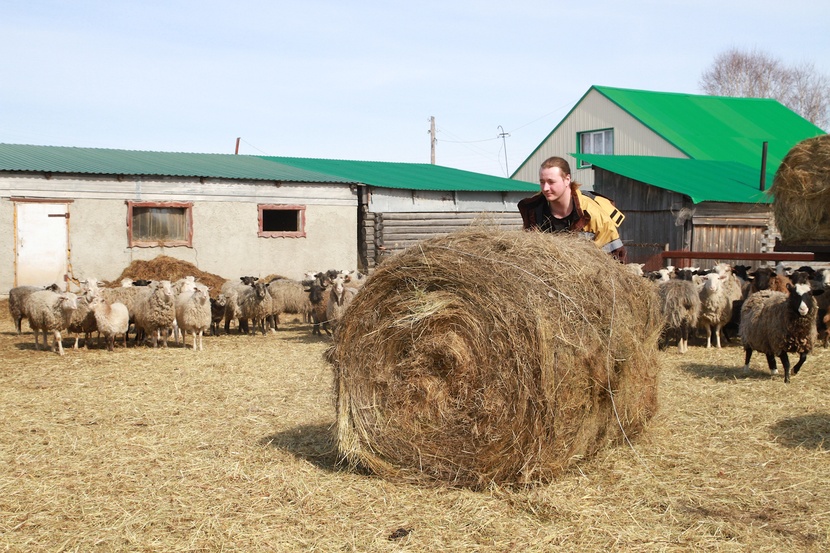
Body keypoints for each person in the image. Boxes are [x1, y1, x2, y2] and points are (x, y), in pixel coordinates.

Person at [517, 156, 627, 262]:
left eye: (551, 182)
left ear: (567, 179)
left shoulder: (594, 215)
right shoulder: (533, 212)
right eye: (542, 182)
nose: (545, 188)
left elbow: (616, 261)